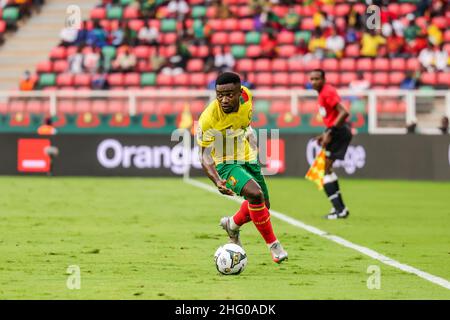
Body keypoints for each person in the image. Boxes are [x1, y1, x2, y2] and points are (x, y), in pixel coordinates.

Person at [197, 72, 288, 263]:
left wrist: (248, 131)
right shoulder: (208, 118)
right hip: (224, 162)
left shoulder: (248, 97)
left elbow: (243, 120)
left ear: (240, 92)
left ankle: (232, 224)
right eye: (219, 95)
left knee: (263, 206)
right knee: (256, 195)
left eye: (229, 94)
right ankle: (273, 245)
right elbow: (204, 156)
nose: (224, 99)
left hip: (246, 153)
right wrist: (216, 180)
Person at [309, 69, 352, 220]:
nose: (314, 82)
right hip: (336, 131)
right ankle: (340, 209)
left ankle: (339, 209)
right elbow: (333, 116)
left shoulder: (327, 92)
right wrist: (325, 132)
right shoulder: (322, 93)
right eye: (312, 79)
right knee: (326, 169)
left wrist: (330, 132)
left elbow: (344, 112)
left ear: (324, 79)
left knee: (324, 169)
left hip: (339, 132)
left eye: (317, 79)